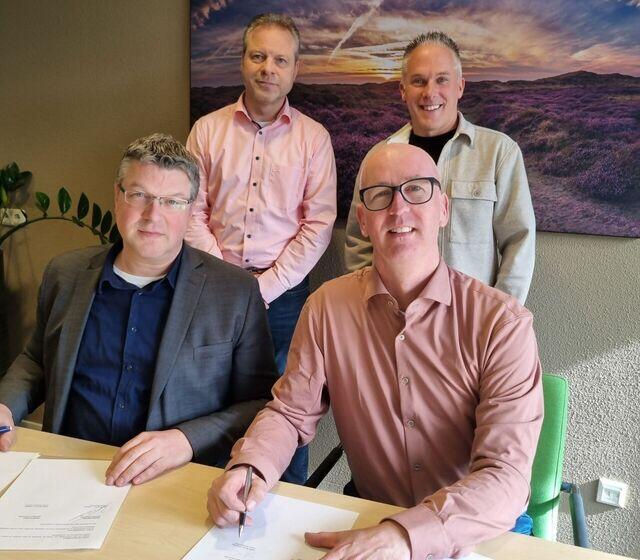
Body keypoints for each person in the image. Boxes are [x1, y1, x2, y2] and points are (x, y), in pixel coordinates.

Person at [208, 144, 543, 560]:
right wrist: (250, 467)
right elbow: (290, 414)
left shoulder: (502, 324)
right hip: (372, 515)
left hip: (477, 531)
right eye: (381, 194)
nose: (399, 209)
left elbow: (506, 476)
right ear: (363, 220)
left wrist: (403, 536)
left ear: (443, 208)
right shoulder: (326, 308)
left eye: (416, 190)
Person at [0, 133, 278, 488]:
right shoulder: (65, 274)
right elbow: (36, 360)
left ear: (191, 209)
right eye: (139, 195)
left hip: (173, 481)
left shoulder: (234, 291)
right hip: (68, 471)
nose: (152, 215)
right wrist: (5, 405)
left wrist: (186, 440)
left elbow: (259, 402)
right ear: (118, 197)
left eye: (172, 201)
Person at [186, 13, 337, 483]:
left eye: (280, 60)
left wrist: (265, 287)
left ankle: (287, 495)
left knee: (287, 404)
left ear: (294, 70)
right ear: (243, 62)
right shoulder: (206, 131)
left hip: (285, 297)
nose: (268, 68)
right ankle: (207, 490)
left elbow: (319, 224)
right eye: (258, 56)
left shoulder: (314, 139)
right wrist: (227, 281)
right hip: (211, 288)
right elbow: (190, 211)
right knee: (208, 395)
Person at [345, 31, 536, 304]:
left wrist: (500, 314)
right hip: (394, 318)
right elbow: (359, 243)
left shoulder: (499, 153)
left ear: (460, 86)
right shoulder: (377, 158)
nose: (430, 92)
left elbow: (519, 242)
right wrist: (373, 308)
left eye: (442, 79)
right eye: (418, 81)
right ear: (403, 90)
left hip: (471, 318)